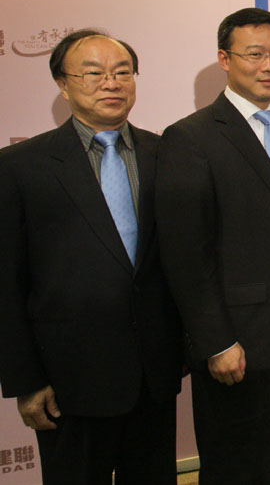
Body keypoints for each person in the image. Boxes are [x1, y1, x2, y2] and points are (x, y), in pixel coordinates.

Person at [155, 8, 270, 484]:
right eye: (254, 54)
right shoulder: (190, 137)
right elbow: (185, 254)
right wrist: (215, 340)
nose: (269, 65)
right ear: (224, 59)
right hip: (237, 338)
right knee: (235, 464)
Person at [0, 30, 183, 483]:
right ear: (62, 84)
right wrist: (25, 381)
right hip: (68, 381)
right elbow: (7, 281)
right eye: (94, 73)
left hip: (154, 375)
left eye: (123, 72)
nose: (111, 83)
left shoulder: (167, 154)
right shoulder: (21, 165)